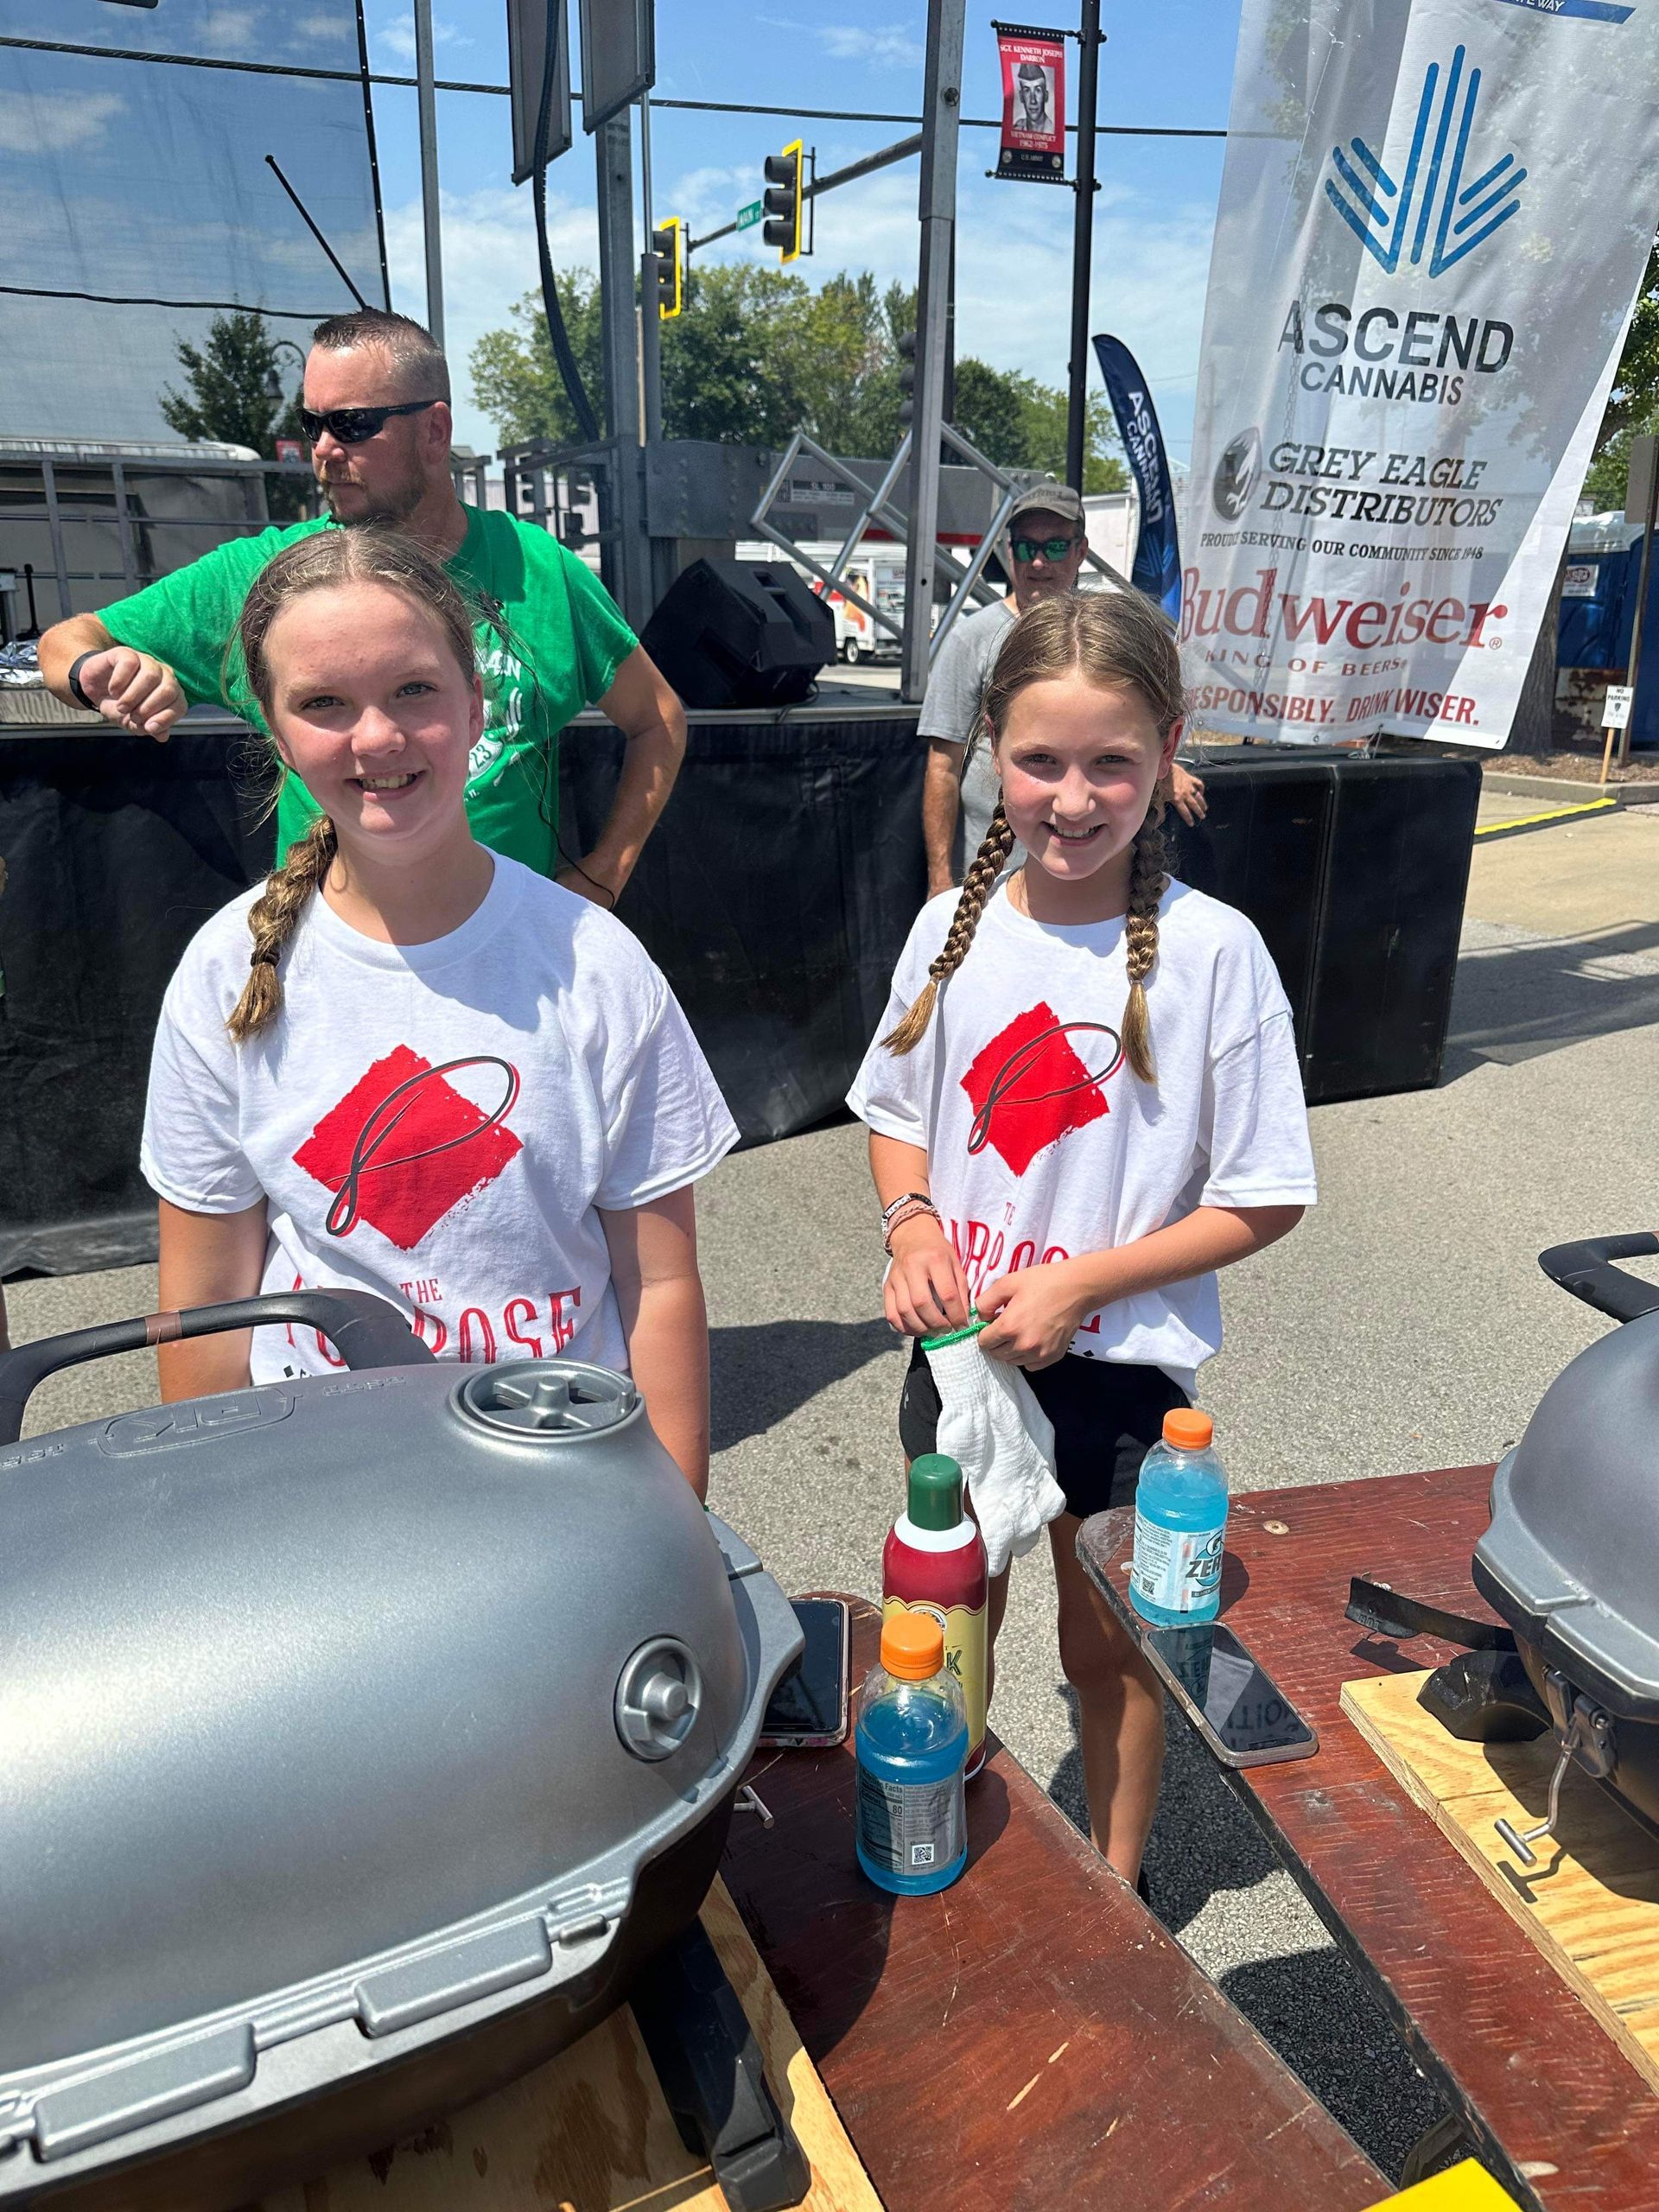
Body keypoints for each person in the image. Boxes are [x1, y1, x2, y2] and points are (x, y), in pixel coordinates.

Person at [849, 588, 1315, 1880]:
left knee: (1106, 1651)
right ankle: (957, 1846)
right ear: (991, 746)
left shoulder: (1217, 956)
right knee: (945, 1634)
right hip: (961, 1361)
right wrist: (910, 1225)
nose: (1072, 795)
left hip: (1121, 1381)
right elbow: (894, 1111)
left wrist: (1086, 1284)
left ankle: (1115, 1890)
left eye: (1112, 762)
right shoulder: (951, 933)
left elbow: (1265, 1193)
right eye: (1041, 759)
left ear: (1168, 754)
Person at [139, 529, 736, 1493]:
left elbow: (659, 1287)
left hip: (560, 1473)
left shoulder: (594, 965)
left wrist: (675, 1524)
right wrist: (218, 1527)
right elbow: (207, 1302)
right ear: (276, 733)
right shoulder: (224, 975)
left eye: (412, 689)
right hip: (323, 1484)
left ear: (475, 706)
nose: (375, 737)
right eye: (324, 704)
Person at [38, 309, 681, 905]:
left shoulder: (538, 569)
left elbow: (658, 719)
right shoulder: (262, 577)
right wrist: (99, 674)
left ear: (435, 430)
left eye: (351, 424)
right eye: (311, 424)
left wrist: (605, 873)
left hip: (507, 956)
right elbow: (70, 640)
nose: (322, 448)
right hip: (331, 957)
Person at [918, 483, 1206, 897]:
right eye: (1024, 547)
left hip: (1101, 888)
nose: (1038, 561)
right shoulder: (971, 639)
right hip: (992, 881)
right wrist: (940, 880)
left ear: (1080, 551)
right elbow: (942, 768)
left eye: (1054, 547)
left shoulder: (1111, 636)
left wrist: (1161, 766)